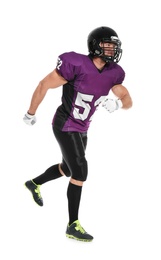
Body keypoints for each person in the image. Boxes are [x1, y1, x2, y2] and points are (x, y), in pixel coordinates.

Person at [23, 26, 133, 242]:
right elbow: (44, 84)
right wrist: (30, 112)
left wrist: (119, 104)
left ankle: (34, 183)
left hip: (83, 128)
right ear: (95, 45)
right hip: (65, 124)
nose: (111, 49)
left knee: (66, 168)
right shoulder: (76, 64)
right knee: (80, 171)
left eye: (114, 45)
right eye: (107, 45)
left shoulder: (114, 73)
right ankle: (72, 225)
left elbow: (128, 98)